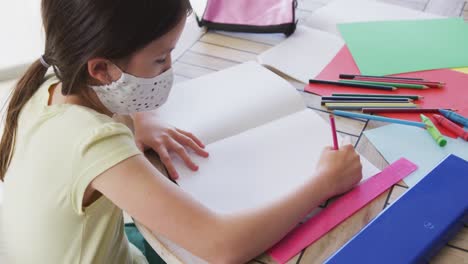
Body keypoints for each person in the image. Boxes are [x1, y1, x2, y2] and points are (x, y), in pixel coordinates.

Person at [0, 0, 363, 263]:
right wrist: (324, 183)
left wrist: (142, 116)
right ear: (102, 69)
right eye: (161, 58)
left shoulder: (50, 78)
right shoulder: (94, 143)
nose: (169, 68)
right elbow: (223, 246)